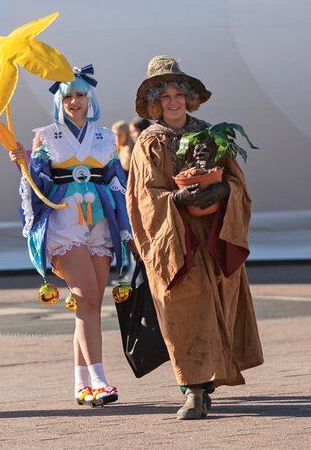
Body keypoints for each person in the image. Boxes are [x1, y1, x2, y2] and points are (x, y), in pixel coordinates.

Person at [125, 55, 263, 420]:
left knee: (215, 307)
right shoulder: (148, 143)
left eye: (178, 93)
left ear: (188, 96)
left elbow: (238, 184)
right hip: (175, 239)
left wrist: (223, 193)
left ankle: (206, 384)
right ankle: (193, 391)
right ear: (155, 101)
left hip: (214, 236)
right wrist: (176, 198)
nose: (173, 101)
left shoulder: (211, 135)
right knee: (182, 311)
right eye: (165, 95)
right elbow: (143, 197)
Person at [9, 64, 137, 407]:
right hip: (65, 225)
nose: (75, 101)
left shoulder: (106, 137)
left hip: (100, 224)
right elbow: (37, 183)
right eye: (68, 96)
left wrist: (124, 222)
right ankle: (99, 378)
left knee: (92, 302)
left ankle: (82, 384)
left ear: (89, 97)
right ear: (59, 100)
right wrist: (25, 163)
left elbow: (114, 179)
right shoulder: (45, 136)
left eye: (80, 94)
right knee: (87, 296)